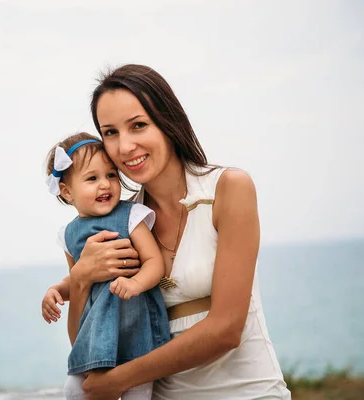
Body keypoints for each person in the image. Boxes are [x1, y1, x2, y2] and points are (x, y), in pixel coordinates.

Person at [41, 64, 291, 400]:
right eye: (111, 132)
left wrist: (121, 378)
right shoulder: (118, 222)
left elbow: (227, 329)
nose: (125, 146)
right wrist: (82, 279)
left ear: (168, 121)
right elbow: (89, 338)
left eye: (138, 125)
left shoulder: (228, 189)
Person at [44, 132, 171, 399]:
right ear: (67, 192)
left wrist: (135, 283)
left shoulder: (130, 215)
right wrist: (57, 290)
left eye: (111, 175)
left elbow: (154, 262)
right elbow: (77, 280)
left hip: (134, 325)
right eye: (92, 178)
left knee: (138, 391)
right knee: (74, 390)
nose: (106, 185)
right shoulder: (68, 235)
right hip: (95, 332)